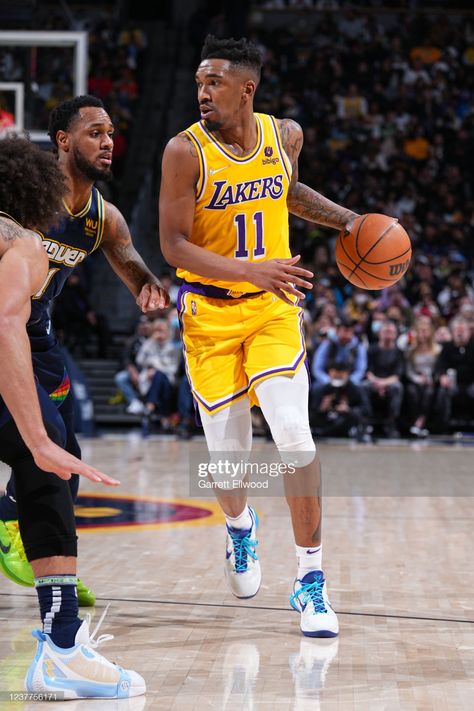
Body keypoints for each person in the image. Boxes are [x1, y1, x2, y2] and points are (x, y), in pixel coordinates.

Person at [159, 35, 362, 638]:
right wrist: (253, 269)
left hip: (273, 308)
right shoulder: (182, 152)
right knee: (230, 462)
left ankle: (311, 579)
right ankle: (241, 527)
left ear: (246, 89)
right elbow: (173, 245)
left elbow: (287, 192)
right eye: (199, 82)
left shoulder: (285, 136)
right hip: (210, 314)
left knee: (295, 436)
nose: (202, 92)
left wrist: (348, 220)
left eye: (214, 83)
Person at [0, 95, 169, 604]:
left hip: (39, 338)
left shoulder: (102, 218)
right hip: (6, 326)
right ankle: (22, 537)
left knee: (65, 454)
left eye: (112, 133)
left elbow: (131, 262)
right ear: (63, 140)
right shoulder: (21, 199)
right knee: (41, 445)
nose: (108, 142)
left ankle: (41, 554)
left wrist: (147, 287)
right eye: (95, 132)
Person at [0, 134, 145, 699]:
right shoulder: (26, 245)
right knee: (52, 466)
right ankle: (62, 649)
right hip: (20, 357)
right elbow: (7, 324)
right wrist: (36, 437)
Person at [363, 321, 405, 438]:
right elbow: (368, 371)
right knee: (363, 386)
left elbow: (397, 375)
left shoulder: (399, 352)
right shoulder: (371, 349)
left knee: (397, 387)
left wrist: (383, 384)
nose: (388, 334)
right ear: (379, 334)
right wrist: (376, 382)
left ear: (396, 334)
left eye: (391, 332)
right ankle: (366, 422)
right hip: (373, 381)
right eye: (385, 331)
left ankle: (391, 423)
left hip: (390, 382)